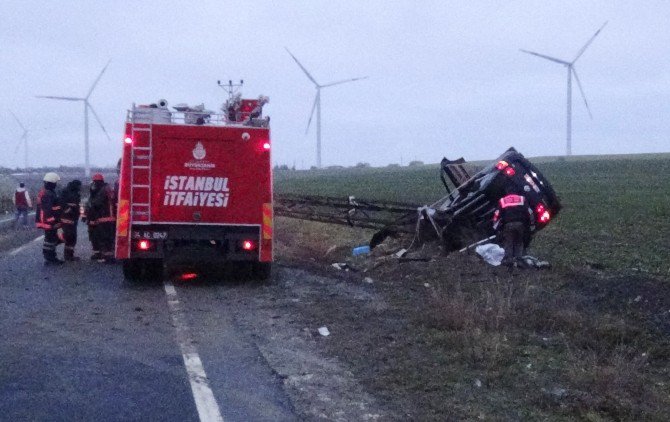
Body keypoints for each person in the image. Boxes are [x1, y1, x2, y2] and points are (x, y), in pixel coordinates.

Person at [493, 187, 534, 269]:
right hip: (520, 224)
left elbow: (497, 214)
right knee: (519, 242)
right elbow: (530, 212)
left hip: (508, 225)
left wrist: (495, 225)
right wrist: (532, 223)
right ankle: (519, 261)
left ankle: (509, 261)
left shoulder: (503, 200)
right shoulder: (522, 199)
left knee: (509, 242)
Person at [36, 172, 63, 265]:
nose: (56, 184)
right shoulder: (48, 193)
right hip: (49, 221)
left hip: (47, 220)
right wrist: (53, 221)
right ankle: (50, 258)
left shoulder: (46, 192)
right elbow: (47, 210)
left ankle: (50, 257)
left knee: (50, 239)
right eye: (55, 182)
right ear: (51, 182)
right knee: (50, 240)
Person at [89, 173, 116, 263]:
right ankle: (109, 256)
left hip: (105, 218)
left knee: (105, 238)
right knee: (109, 238)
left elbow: (96, 203)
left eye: (95, 183)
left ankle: (108, 258)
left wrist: (92, 195)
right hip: (109, 218)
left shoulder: (102, 191)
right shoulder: (107, 188)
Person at [59, 180, 82, 261]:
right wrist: (68, 210)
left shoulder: (76, 192)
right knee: (69, 237)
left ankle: (70, 255)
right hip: (67, 218)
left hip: (73, 218)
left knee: (73, 237)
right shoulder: (66, 191)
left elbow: (77, 204)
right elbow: (61, 202)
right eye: (79, 186)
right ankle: (68, 256)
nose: (80, 187)